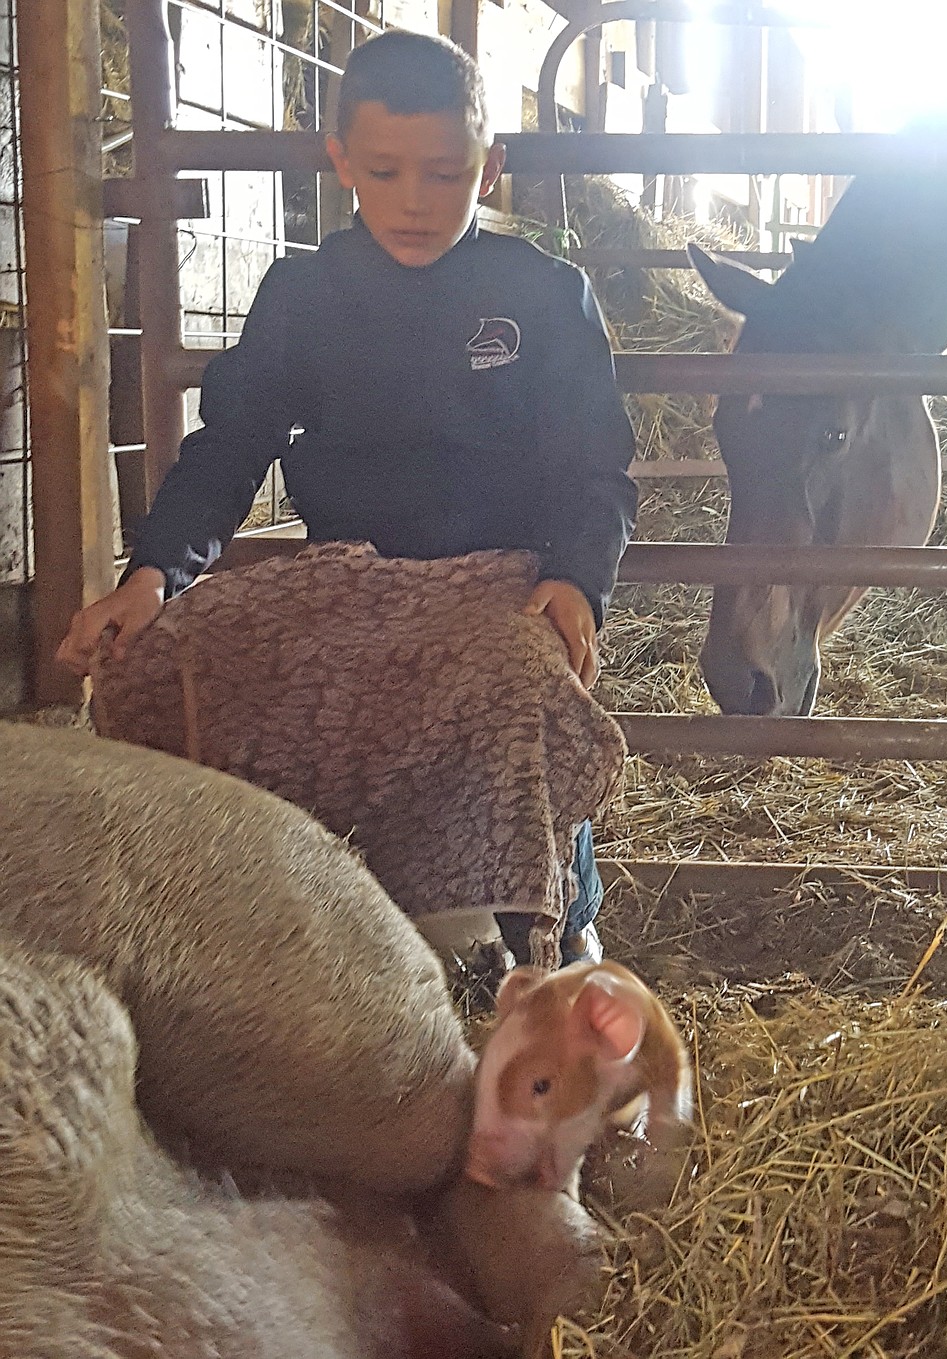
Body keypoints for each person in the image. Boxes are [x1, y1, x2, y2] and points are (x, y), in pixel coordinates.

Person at [57, 28, 638, 965]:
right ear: (341, 164)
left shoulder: (542, 295)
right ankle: (233, 927)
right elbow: (231, 447)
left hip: (497, 581)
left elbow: (594, 464)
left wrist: (577, 578)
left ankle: (557, 926)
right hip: (344, 587)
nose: (415, 200)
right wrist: (154, 574)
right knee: (159, 664)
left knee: (526, 676)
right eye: (386, 170)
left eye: (445, 174)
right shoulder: (304, 296)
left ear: (490, 170)